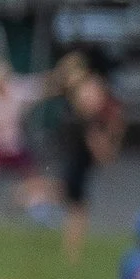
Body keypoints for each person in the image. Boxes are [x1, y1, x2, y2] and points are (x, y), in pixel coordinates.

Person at [56, 55, 123, 262]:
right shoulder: (85, 103)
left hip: (79, 155)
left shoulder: (81, 95)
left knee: (72, 201)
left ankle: (71, 252)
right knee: (77, 206)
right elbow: (94, 135)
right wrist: (105, 153)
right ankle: (72, 253)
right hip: (80, 157)